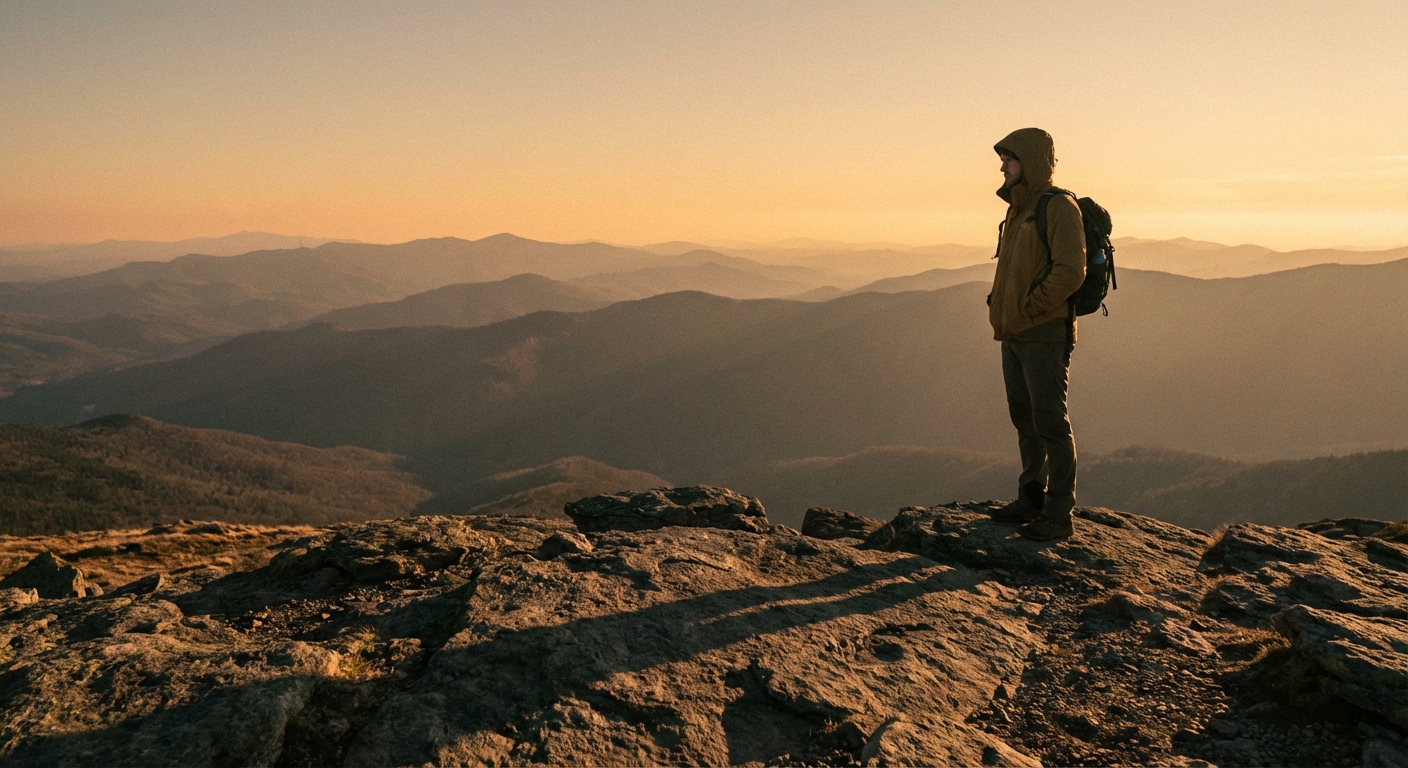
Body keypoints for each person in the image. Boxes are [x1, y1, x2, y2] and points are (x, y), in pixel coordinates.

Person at [985, 128, 1085, 541]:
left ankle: (1059, 514)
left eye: (1009, 159)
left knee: (1050, 423)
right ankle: (1031, 498)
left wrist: (1029, 305)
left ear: (1030, 161)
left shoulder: (1058, 206)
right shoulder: (1018, 209)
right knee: (1024, 419)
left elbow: (1071, 271)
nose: (1003, 166)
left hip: (1043, 332)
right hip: (1014, 333)